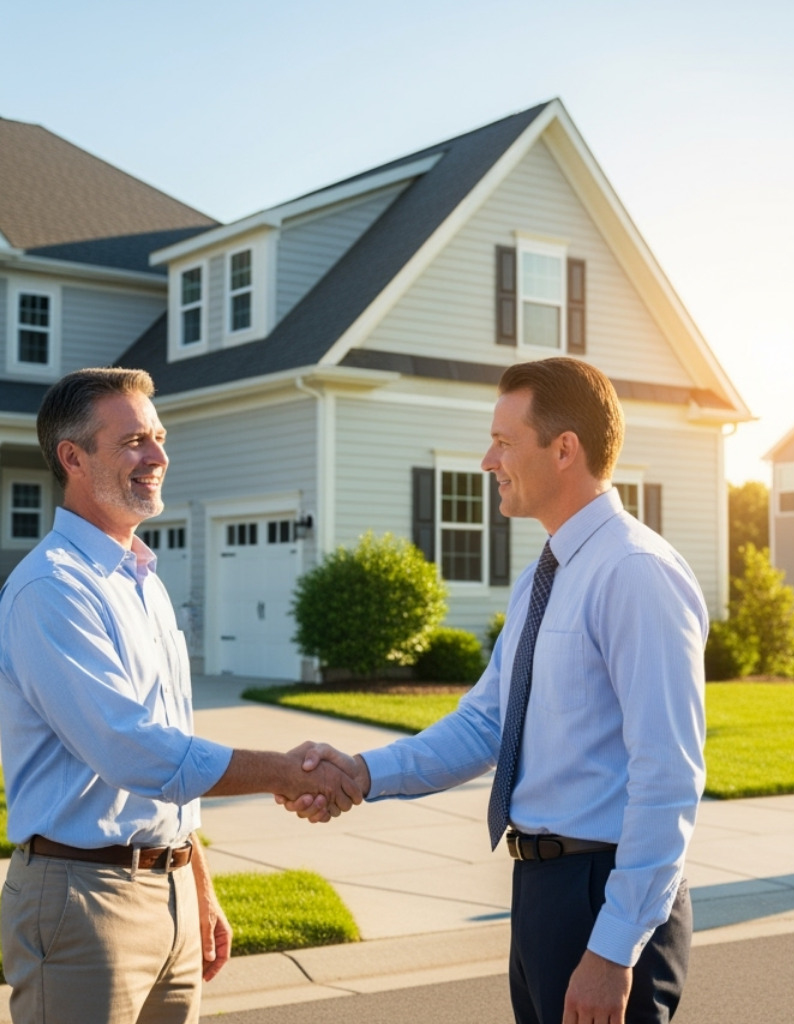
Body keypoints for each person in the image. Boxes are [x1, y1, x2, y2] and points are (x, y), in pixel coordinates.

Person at [289, 356, 707, 1024]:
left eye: (505, 442)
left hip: (602, 895)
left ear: (564, 449)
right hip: (543, 892)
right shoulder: (545, 575)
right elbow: (487, 725)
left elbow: (669, 776)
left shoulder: (635, 573)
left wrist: (614, 949)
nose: (488, 460)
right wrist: (362, 773)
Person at [0, 367, 361, 1024]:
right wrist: (281, 770)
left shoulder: (142, 579)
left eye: (157, 437)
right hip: (83, 900)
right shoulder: (52, 589)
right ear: (73, 458)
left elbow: (169, 751)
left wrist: (195, 880)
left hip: (170, 895)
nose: (158, 456)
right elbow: (134, 750)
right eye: (133, 441)